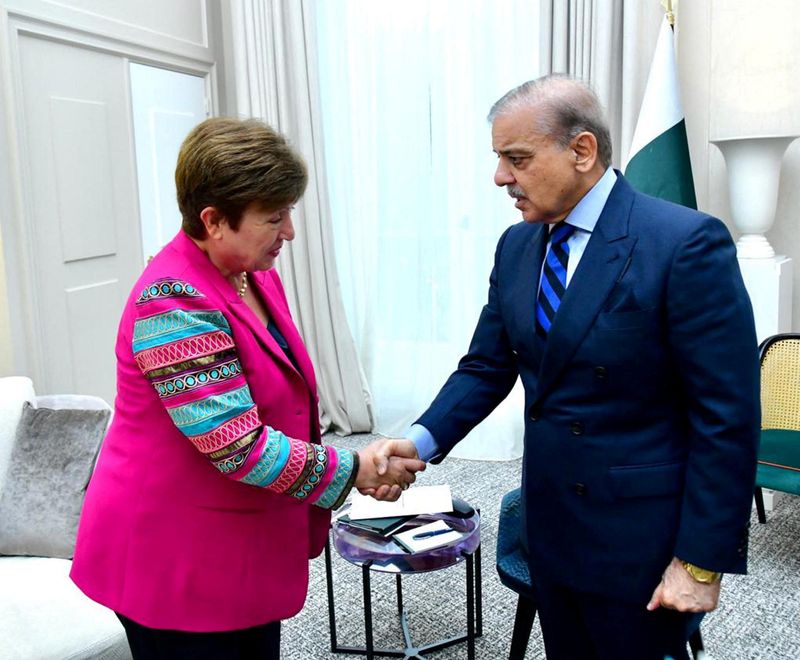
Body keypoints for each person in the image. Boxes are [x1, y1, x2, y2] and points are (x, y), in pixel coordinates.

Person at [373, 75, 760, 659]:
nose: (501, 177)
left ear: (582, 151)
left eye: (517, 159)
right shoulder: (517, 246)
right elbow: (485, 366)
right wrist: (420, 441)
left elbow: (726, 418)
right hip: (552, 527)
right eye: (499, 159)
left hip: (641, 540)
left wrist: (701, 562)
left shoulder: (682, 243)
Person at [71, 117, 424, 659]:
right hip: (172, 555)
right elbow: (238, 446)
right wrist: (356, 470)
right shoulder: (173, 302)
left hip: (228, 542)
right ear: (214, 221)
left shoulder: (251, 272)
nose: (289, 232)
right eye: (274, 217)